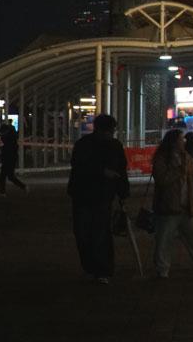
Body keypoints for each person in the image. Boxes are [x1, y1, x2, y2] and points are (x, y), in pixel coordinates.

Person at [67, 114, 129, 283]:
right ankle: (92, 266)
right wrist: (103, 173)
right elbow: (78, 166)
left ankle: (102, 269)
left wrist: (123, 192)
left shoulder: (113, 146)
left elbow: (121, 171)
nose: (112, 134)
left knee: (99, 232)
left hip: (101, 196)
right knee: (83, 233)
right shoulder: (85, 145)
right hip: (85, 194)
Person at [151, 129, 193, 278]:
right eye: (181, 139)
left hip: (186, 205)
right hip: (169, 206)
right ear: (174, 142)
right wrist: (179, 172)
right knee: (164, 239)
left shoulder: (185, 156)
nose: (184, 142)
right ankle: (162, 269)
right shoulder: (162, 158)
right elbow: (161, 180)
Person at [0, 121, 28, 194]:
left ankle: (3, 191)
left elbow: (2, 144)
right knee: (9, 176)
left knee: (5, 176)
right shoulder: (12, 137)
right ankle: (23, 187)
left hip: (8, 159)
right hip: (11, 158)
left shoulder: (7, 138)